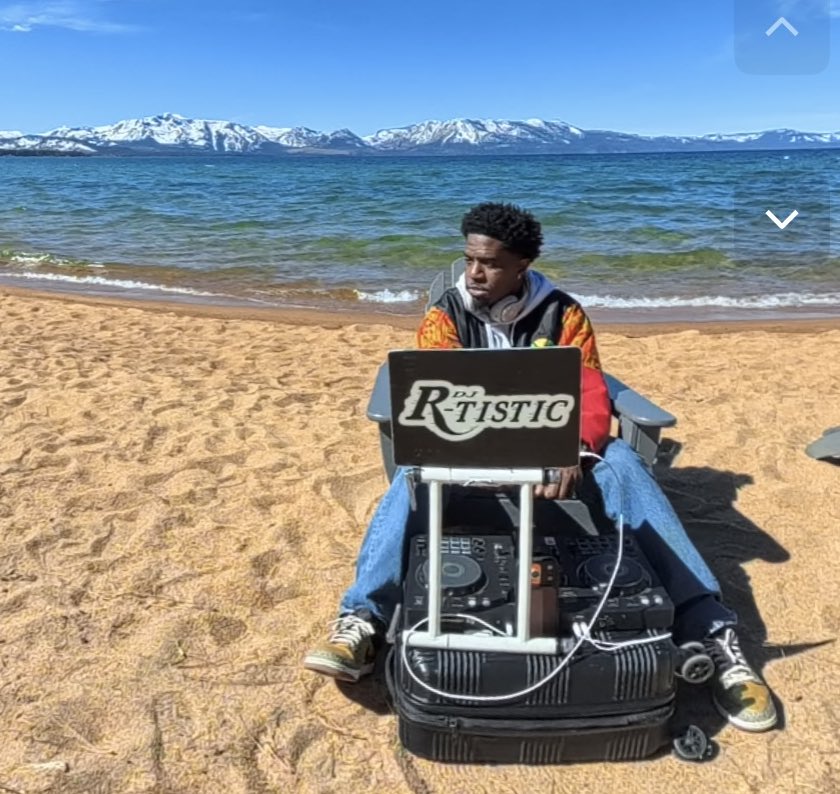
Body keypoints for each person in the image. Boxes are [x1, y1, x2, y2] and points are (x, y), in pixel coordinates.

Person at [303, 202, 777, 733]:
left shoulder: (563, 314)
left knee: (623, 462)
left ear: (522, 266)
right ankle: (363, 620)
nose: (474, 273)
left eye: (490, 264)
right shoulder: (445, 316)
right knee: (411, 474)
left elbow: (591, 388)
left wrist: (572, 446)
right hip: (468, 460)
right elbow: (438, 395)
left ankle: (711, 633)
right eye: (469, 260)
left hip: (558, 463)